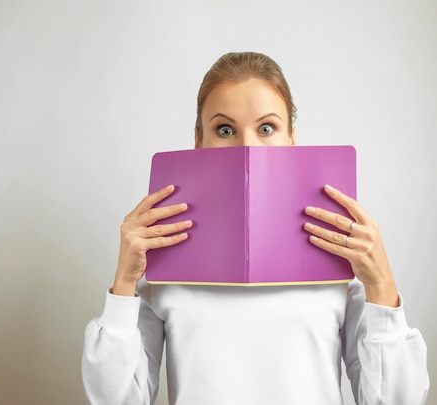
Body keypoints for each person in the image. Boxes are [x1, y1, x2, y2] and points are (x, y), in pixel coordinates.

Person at [82, 52, 429, 404]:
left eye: (266, 128)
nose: (247, 147)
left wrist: (381, 283)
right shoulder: (163, 272)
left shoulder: (335, 266)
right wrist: (123, 286)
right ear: (198, 141)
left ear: (291, 138)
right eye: (225, 129)